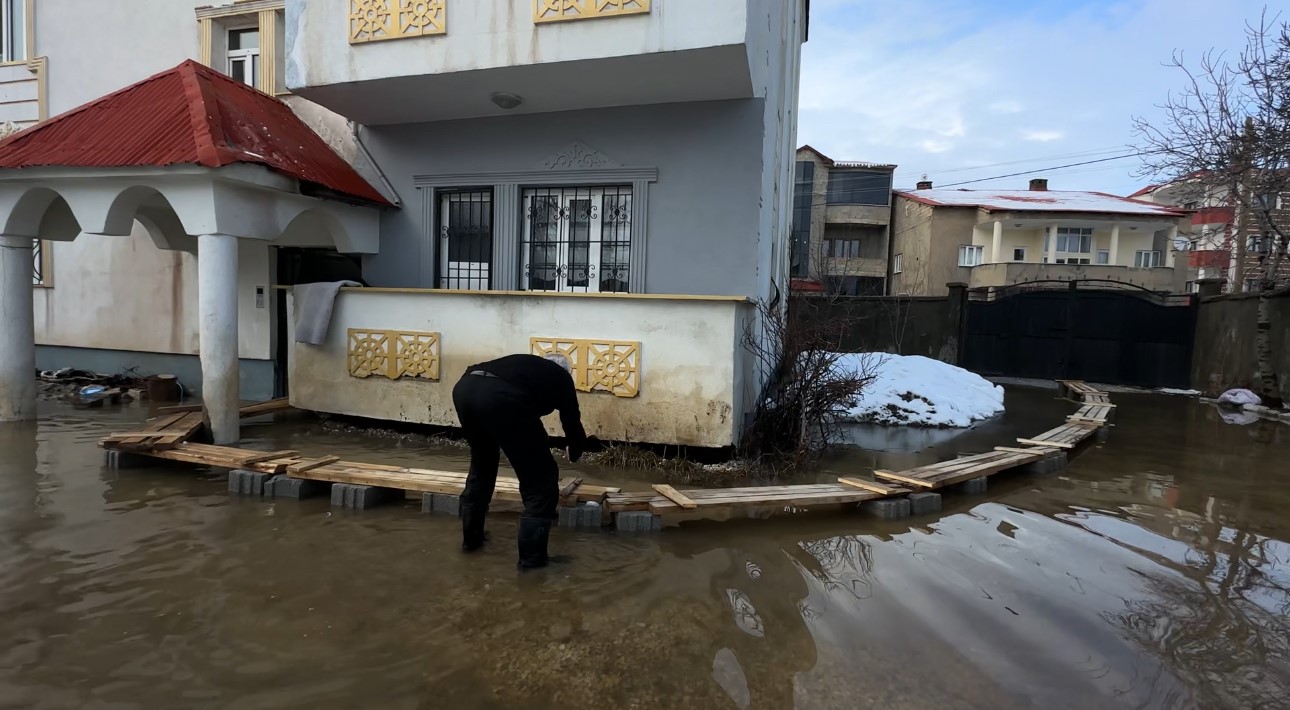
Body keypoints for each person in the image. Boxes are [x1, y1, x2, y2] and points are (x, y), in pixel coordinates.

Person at [451, 352, 587, 569]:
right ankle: (532, 563)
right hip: (501, 396)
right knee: (541, 479)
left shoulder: (525, 367)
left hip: (465, 388)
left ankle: (471, 542)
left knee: (482, 463)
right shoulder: (561, 376)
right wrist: (576, 449)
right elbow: (572, 420)